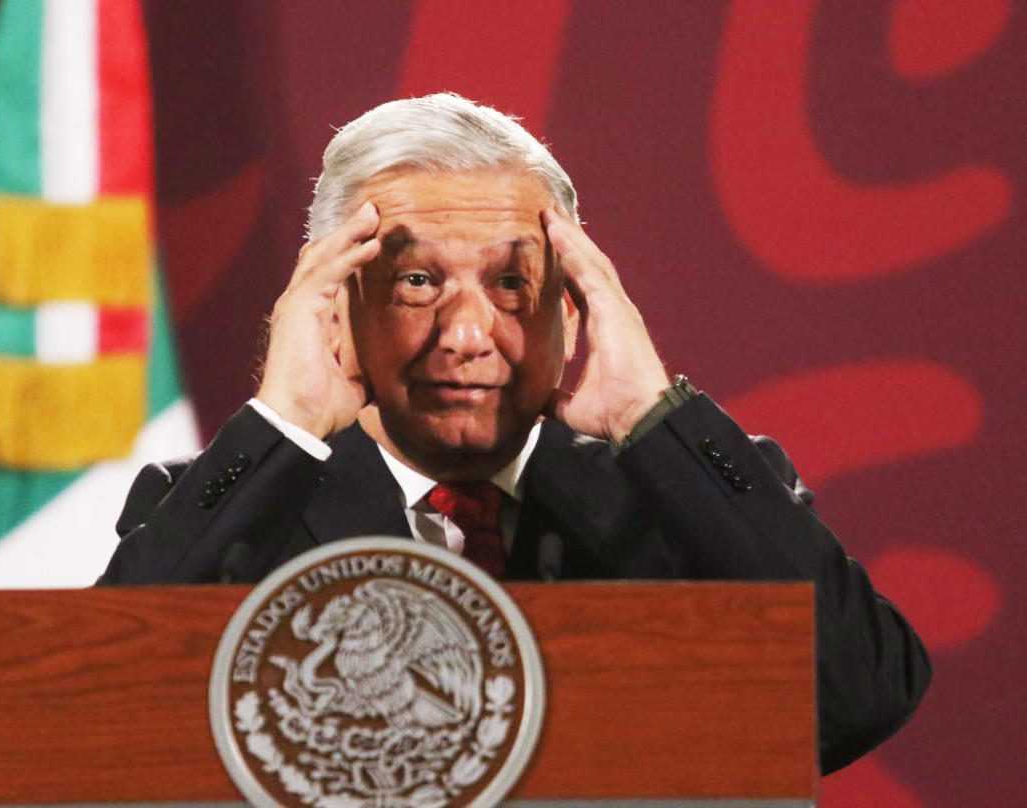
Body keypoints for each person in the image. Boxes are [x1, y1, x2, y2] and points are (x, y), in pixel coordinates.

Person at [98, 93, 929, 773]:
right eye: (418, 280)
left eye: (511, 283)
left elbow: (859, 694)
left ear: (570, 311)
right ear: (337, 310)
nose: (467, 334)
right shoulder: (225, 510)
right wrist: (281, 425)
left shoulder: (690, 496)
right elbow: (90, 720)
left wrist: (652, 416)